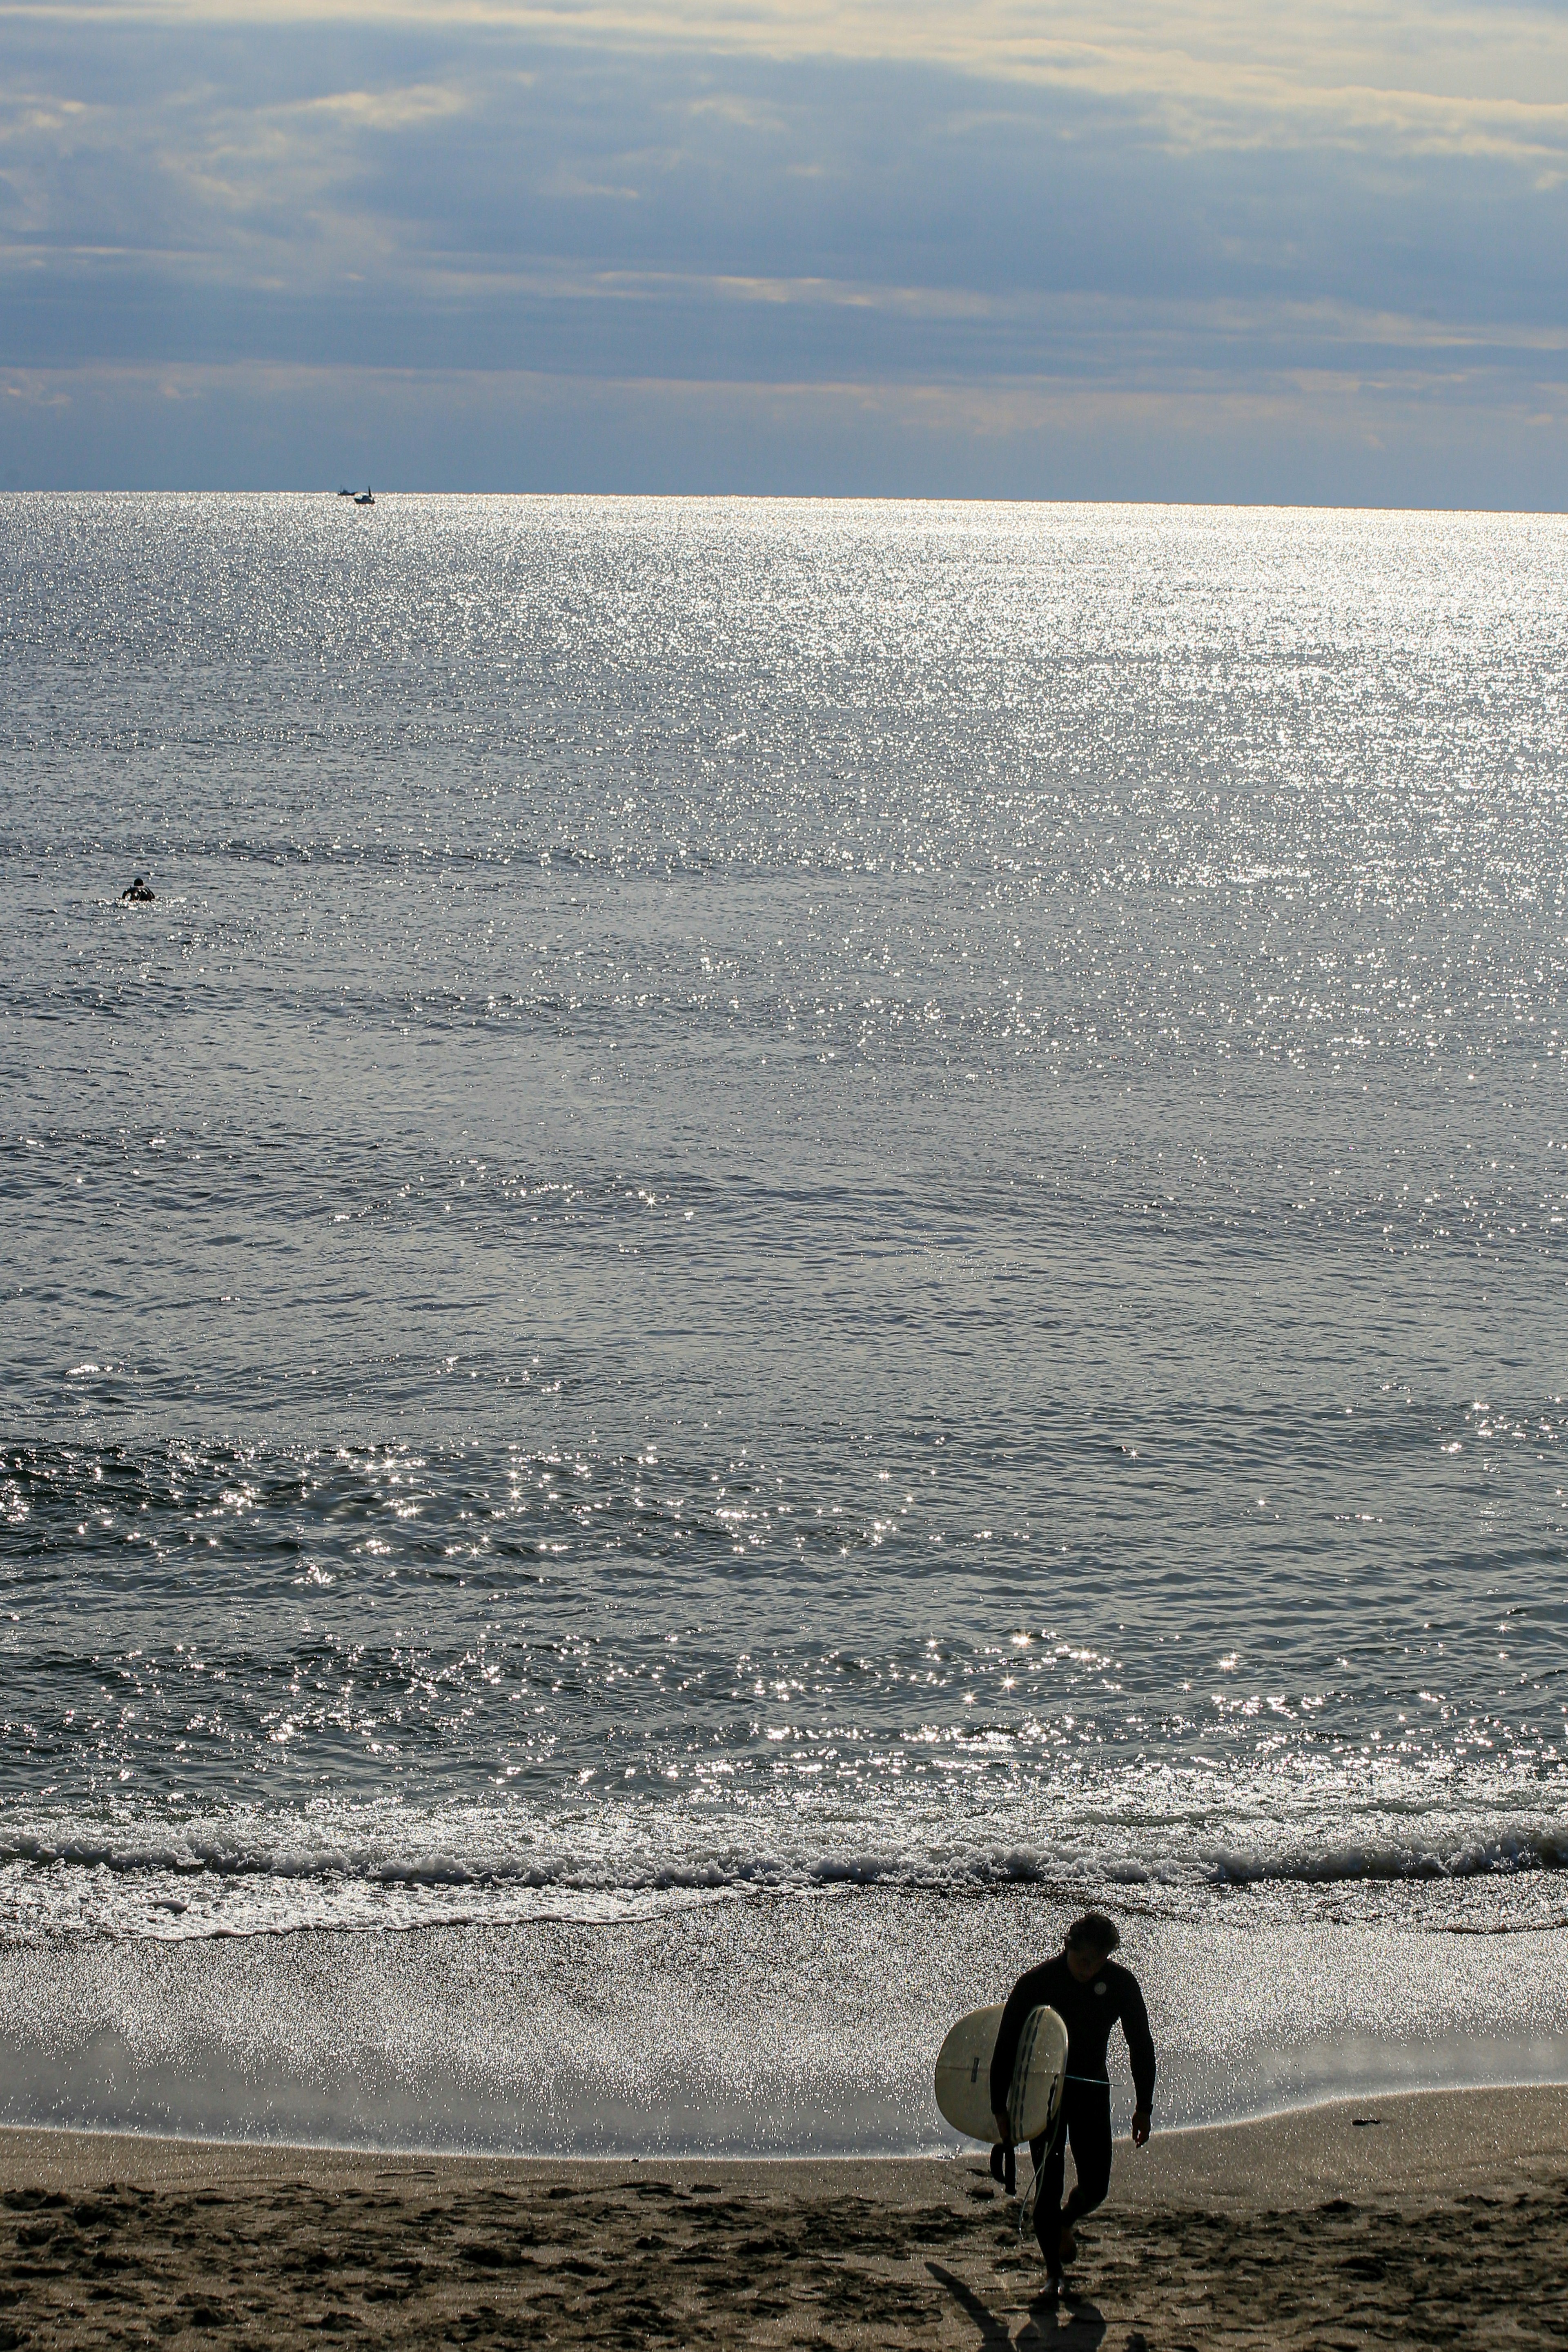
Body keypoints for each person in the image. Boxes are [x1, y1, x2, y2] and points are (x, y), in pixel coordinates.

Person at [989, 1911, 1155, 2292]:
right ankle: (1054, 2275)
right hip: (1043, 2098)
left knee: (1096, 2188)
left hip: (1091, 2092)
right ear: (1069, 1948)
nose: (1090, 1969)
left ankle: (1066, 2221)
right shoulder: (1036, 1983)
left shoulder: (1119, 1983)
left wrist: (1144, 2105)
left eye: (1099, 1961)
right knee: (1048, 2185)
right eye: (1084, 1960)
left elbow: (1141, 2046)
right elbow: (1006, 2046)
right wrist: (1001, 2107)